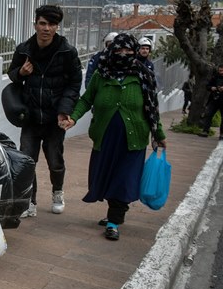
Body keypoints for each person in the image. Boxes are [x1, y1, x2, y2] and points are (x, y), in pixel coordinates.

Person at [62, 33, 167, 240]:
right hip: (105, 137)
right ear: (110, 51)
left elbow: (152, 108)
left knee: (124, 178)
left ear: (135, 52)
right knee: (107, 175)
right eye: (118, 50)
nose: (123, 54)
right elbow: (86, 100)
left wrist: (159, 134)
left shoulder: (143, 76)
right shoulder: (101, 75)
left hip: (133, 139)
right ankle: (115, 212)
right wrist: (73, 118)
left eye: (128, 51)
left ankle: (113, 221)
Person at [8, 4, 82, 217]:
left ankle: (57, 192)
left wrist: (64, 110)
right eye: (42, 23)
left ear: (57, 27)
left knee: (55, 161)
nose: (46, 28)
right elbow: (12, 75)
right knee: (27, 161)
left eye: (51, 24)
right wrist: (21, 72)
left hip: (53, 119)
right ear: (35, 24)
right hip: (30, 117)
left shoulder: (67, 52)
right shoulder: (24, 50)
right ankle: (29, 202)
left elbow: (74, 84)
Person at [197, 64, 223, 139]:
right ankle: (205, 131)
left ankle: (222, 134)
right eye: (220, 70)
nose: (221, 72)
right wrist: (212, 88)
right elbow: (207, 86)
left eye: (222, 70)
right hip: (214, 99)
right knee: (208, 114)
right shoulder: (215, 77)